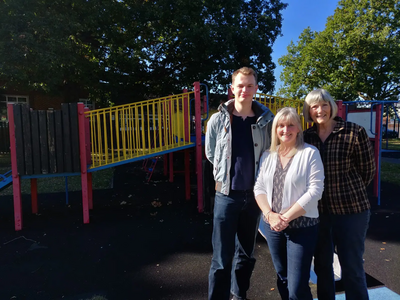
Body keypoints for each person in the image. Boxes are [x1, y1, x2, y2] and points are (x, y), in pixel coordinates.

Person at [205, 67, 274, 300]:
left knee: (246, 253)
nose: (244, 90)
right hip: (227, 195)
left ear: (256, 88)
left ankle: (239, 294)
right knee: (221, 258)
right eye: (240, 85)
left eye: (249, 85)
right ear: (232, 89)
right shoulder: (218, 119)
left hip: (255, 196)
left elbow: (270, 153)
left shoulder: (267, 120)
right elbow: (211, 153)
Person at [303, 89, 376, 300]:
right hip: (319, 214)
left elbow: (367, 171)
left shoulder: (354, 132)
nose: (319, 110)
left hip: (351, 211)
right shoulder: (306, 137)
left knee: (351, 266)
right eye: (314, 106)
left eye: (324, 104)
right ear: (309, 110)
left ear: (332, 106)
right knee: (323, 266)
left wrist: (345, 190)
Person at [254, 107, 324, 300]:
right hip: (274, 228)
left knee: (297, 286)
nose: (286, 130)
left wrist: (284, 217)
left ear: (299, 128)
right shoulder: (268, 155)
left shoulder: (310, 153)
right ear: (275, 129)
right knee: (283, 278)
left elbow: (315, 191)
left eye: (291, 125)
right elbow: (259, 187)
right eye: (281, 126)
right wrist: (270, 215)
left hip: (302, 227)